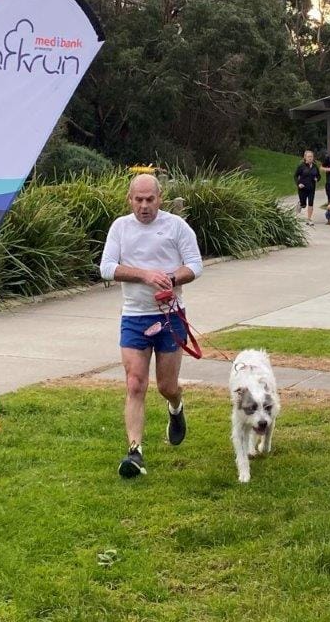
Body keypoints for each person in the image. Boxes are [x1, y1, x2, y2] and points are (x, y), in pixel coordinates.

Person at [99, 174, 203, 479]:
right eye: (138, 200)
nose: (144, 206)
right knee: (135, 383)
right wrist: (144, 275)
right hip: (134, 316)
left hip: (170, 315)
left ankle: (176, 408)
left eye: (150, 199)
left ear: (160, 198)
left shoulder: (176, 226)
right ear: (129, 199)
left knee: (166, 386)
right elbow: (106, 268)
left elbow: (195, 265)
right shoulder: (120, 227)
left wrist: (170, 279)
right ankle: (135, 453)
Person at [293, 150, 321, 227]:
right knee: (303, 204)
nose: (310, 158)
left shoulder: (315, 166)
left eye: (311, 156)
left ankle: (309, 219)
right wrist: (298, 184)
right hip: (302, 188)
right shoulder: (301, 166)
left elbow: (319, 176)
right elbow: (295, 176)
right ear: (305, 157)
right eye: (308, 157)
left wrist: (317, 179)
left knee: (311, 203)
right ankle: (296, 214)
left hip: (311, 188)